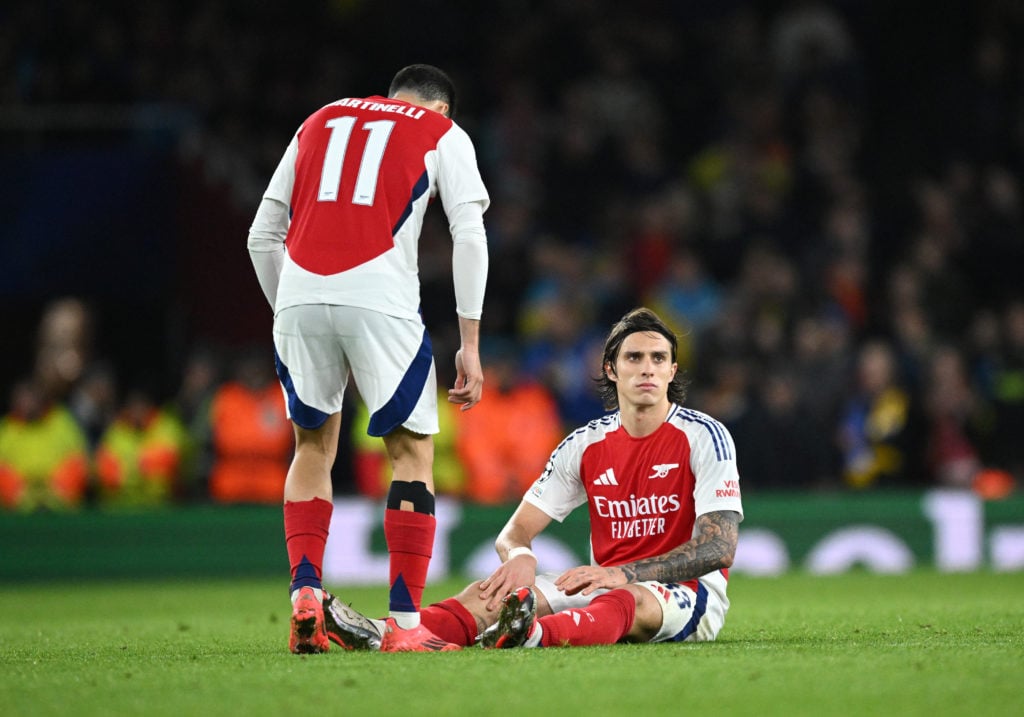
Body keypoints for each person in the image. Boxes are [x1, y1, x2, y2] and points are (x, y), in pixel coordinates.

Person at [323, 307, 743, 651]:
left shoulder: (704, 436)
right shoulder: (584, 445)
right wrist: (520, 555)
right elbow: (516, 531)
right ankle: (377, 633)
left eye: (658, 359)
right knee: (490, 594)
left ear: (672, 371)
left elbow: (719, 548)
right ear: (612, 370)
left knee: (625, 599)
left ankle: (531, 634)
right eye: (634, 358)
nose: (647, 369)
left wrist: (624, 573)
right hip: (605, 587)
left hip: (686, 594)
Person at [247, 64, 489, 653]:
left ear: (389, 96)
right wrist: (471, 343)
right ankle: (405, 626)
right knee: (411, 454)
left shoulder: (321, 117)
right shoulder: (442, 133)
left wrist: (290, 312)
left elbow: (261, 235)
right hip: (381, 300)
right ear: (442, 108)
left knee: (313, 446)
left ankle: (306, 591)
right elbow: (470, 234)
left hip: (299, 294)